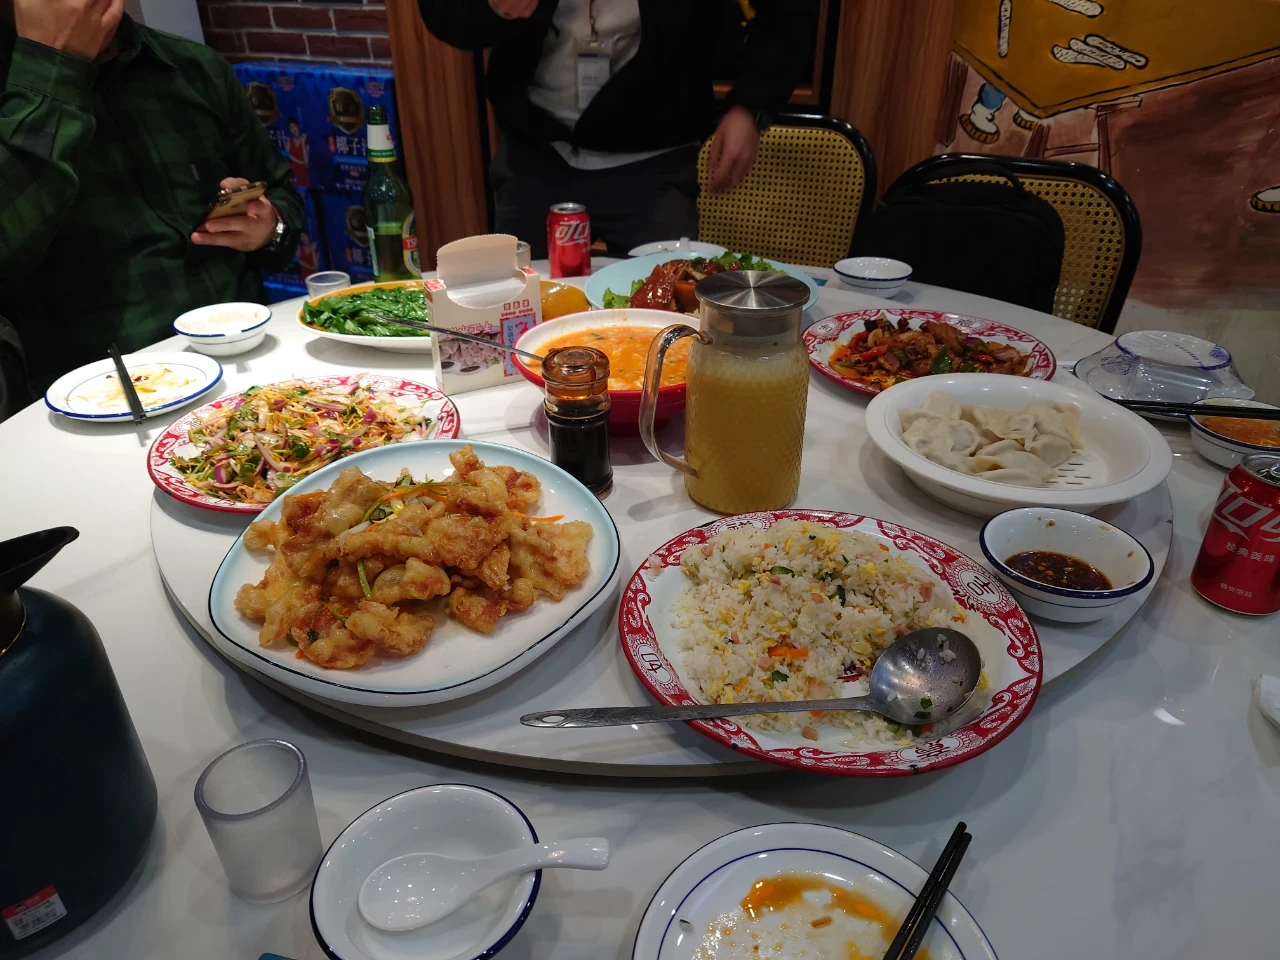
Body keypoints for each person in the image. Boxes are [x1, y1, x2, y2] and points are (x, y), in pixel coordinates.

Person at [0, 0, 304, 390]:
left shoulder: (193, 66)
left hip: (243, 365)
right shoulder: (12, 90)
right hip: (96, 392)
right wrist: (52, 68)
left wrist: (269, 227)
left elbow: (282, 196)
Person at [418, 0, 812, 257]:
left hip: (655, 152)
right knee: (519, 310)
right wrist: (489, 8)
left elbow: (787, 14)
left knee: (668, 317)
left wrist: (751, 104)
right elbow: (444, 13)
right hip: (533, 152)